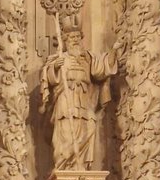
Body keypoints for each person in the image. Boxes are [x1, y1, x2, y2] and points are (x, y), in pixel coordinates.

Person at [40, 27, 116, 172]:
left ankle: (82, 168)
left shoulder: (87, 58)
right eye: (71, 37)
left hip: (84, 100)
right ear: (65, 41)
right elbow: (46, 78)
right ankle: (64, 167)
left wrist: (114, 52)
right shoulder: (59, 59)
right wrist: (55, 67)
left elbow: (102, 70)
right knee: (67, 133)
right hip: (65, 100)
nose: (75, 40)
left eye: (77, 37)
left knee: (90, 128)